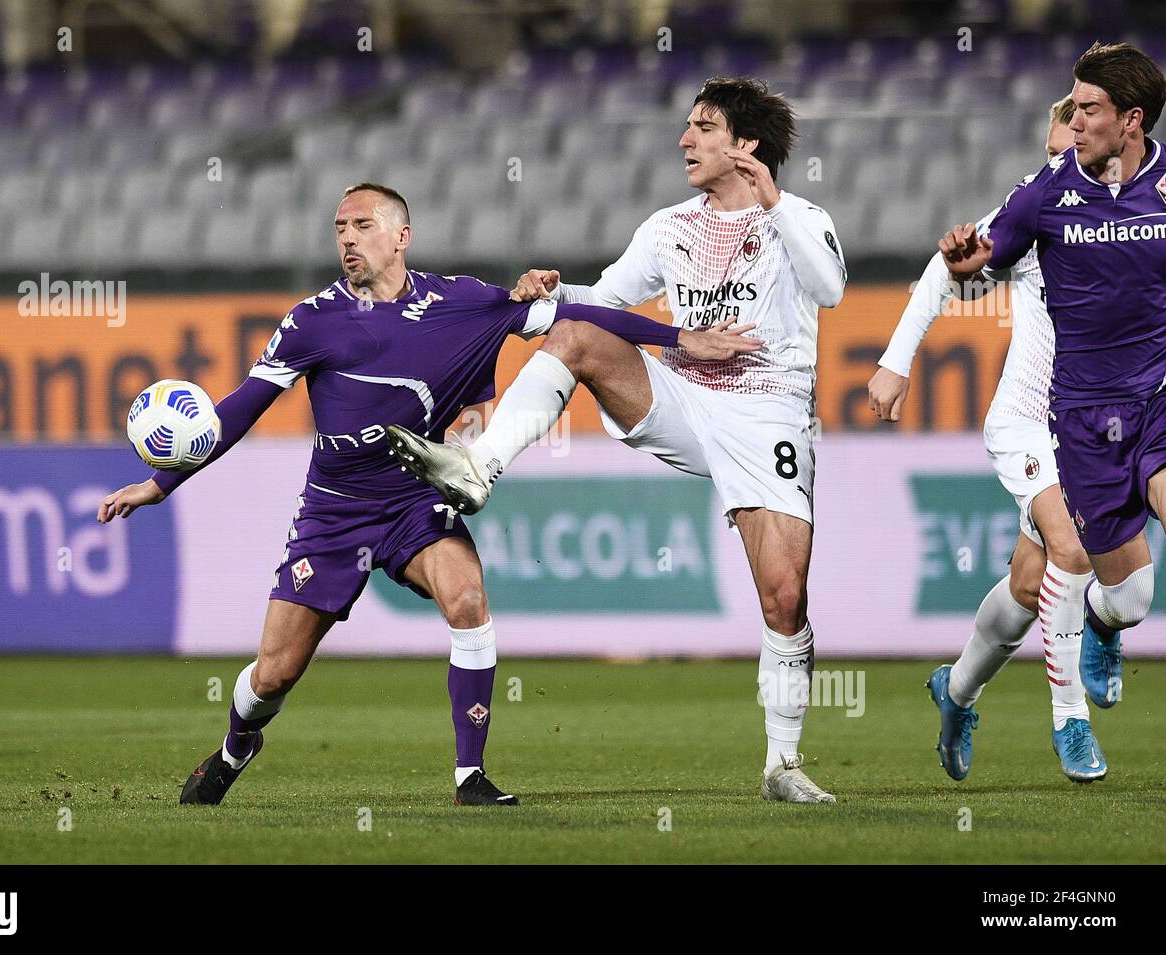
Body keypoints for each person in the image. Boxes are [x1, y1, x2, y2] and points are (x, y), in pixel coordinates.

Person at [97, 183, 749, 806]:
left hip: (414, 498)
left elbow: (577, 315)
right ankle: (236, 748)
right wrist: (162, 482)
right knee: (273, 673)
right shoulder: (311, 322)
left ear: (401, 235)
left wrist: (683, 339)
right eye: (339, 229)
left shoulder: (462, 302)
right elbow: (239, 407)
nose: (347, 240)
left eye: (361, 226)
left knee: (467, 599)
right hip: (334, 512)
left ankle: (471, 774)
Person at [387, 77, 846, 803]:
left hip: (771, 415)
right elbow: (606, 303)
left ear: (745, 145)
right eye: (688, 125)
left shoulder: (802, 217)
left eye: (703, 126)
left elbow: (829, 291)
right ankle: (480, 467)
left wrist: (774, 205)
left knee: (784, 597)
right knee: (577, 333)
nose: (684, 140)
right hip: (687, 396)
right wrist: (550, 295)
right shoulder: (669, 227)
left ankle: (782, 766)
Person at [870, 99, 1106, 782]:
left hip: (1095, 429)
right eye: (1055, 150)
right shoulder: (1036, 208)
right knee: (1073, 546)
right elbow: (950, 269)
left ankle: (958, 689)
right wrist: (894, 361)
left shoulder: (1134, 217)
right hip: (1028, 422)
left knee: (1033, 584)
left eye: (1074, 147)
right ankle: (1071, 717)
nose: (1060, 163)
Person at [940, 42, 1166, 734]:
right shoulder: (1042, 196)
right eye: (1063, 122)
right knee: (1051, 582)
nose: (1067, 136)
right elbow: (970, 271)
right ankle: (964, 692)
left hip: (1151, 401)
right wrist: (964, 271)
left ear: (1130, 121)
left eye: (1086, 112)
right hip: (1057, 417)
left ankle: (1062, 704)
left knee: (1072, 571)